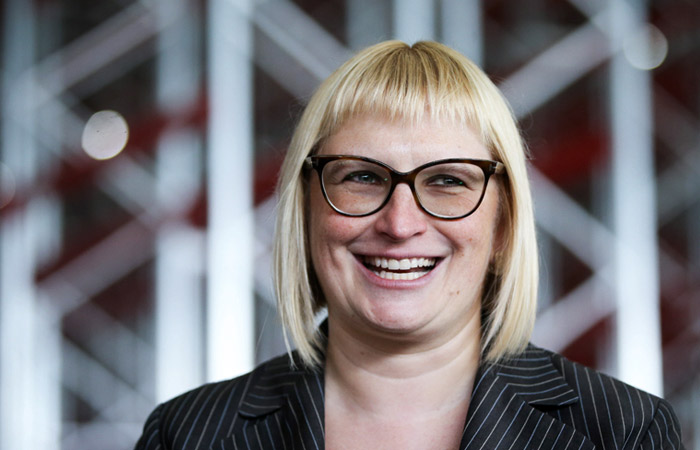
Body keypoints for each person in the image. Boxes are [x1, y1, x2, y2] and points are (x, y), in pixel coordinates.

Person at [135, 40, 683, 449]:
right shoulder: (187, 435)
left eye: (447, 180)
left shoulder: (623, 432)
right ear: (306, 211)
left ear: (503, 226)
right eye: (361, 177)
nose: (400, 224)